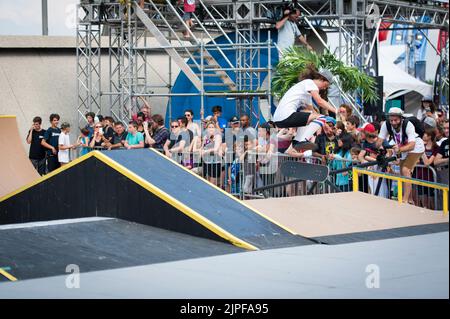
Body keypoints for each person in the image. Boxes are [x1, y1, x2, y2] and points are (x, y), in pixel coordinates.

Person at [272, 66, 337, 152]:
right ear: (321, 79)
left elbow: (311, 111)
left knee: (310, 117)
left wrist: (322, 124)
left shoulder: (305, 91)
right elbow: (319, 101)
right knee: (322, 118)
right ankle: (300, 141)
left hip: (279, 119)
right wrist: (336, 110)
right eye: (325, 85)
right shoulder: (310, 83)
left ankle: (297, 142)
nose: (324, 88)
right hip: (286, 116)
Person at [376, 107, 425, 204]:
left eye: (396, 120)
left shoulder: (408, 125)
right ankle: (410, 200)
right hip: (402, 147)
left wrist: (400, 150)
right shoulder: (386, 125)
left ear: (401, 118)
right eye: (391, 120)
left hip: (416, 146)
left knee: (405, 170)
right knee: (403, 174)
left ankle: (405, 200)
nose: (393, 122)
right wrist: (381, 146)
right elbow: (378, 142)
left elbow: (412, 145)